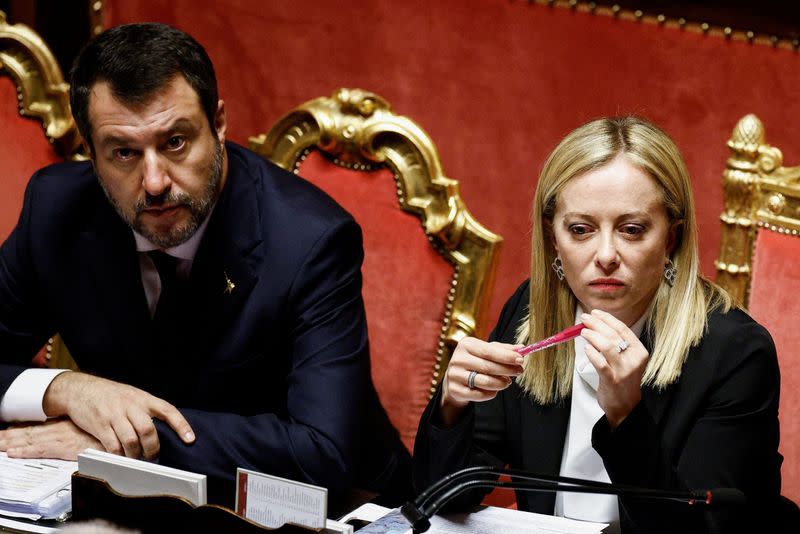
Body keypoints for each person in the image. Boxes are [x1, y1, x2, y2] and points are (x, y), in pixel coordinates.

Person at [0, 22, 409, 506]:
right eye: (124, 153)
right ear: (90, 152)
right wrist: (65, 390)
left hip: (329, 509)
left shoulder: (309, 241)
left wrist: (128, 439)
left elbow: (322, 452)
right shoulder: (57, 210)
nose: (154, 182)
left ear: (217, 123)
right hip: (139, 507)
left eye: (175, 142)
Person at [412, 116, 785, 533]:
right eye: (581, 229)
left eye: (631, 230)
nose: (606, 254)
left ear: (671, 239)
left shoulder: (736, 353)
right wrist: (451, 406)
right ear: (554, 238)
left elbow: (708, 531)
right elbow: (443, 498)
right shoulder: (530, 313)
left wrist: (626, 417)